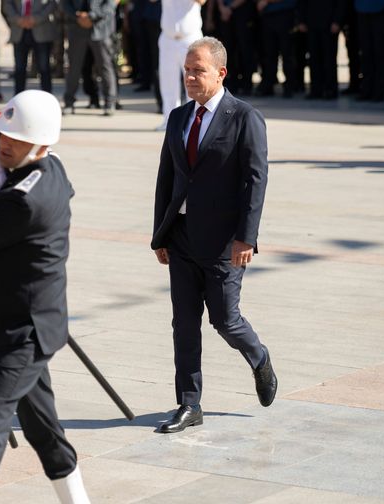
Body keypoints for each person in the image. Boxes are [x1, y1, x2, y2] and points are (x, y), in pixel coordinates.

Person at [0, 90, 90, 504]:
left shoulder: (21, 201)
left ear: (42, 145)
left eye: (17, 140)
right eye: (3, 135)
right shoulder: (53, 169)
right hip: (25, 321)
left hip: (27, 332)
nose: (3, 144)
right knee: (41, 427)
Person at [150, 37, 277, 434]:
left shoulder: (245, 118)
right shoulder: (178, 117)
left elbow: (255, 181)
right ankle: (189, 403)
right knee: (183, 323)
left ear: (221, 73)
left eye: (198, 70)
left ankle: (258, 357)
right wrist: (160, 234)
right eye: (187, 69)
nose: (189, 76)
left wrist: (246, 237)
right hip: (183, 237)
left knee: (225, 319)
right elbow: (166, 178)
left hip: (224, 241)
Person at [62, 0, 118, 115]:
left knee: (105, 66)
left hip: (101, 28)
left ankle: (110, 102)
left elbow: (110, 4)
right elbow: (65, 3)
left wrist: (92, 16)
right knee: (74, 68)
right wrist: (77, 16)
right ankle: (69, 102)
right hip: (77, 28)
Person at [156, 0, 204, 131]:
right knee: (168, 82)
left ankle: (194, 121)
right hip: (168, 38)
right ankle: (169, 121)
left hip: (190, 38)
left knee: (194, 81)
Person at [3, 0, 58, 96]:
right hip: (19, 30)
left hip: (41, 30)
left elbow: (52, 4)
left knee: (44, 67)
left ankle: (47, 97)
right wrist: (18, 19)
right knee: (19, 68)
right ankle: (18, 98)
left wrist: (35, 19)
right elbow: (7, 5)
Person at [297, 0, 345, 100]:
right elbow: (302, 2)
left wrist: (337, 21)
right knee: (313, 59)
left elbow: (341, 3)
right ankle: (316, 90)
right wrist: (301, 20)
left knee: (329, 59)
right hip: (311, 23)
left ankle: (330, 89)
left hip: (329, 23)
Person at [255, 0, 298, 98]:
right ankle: (269, 84)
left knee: (287, 54)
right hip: (268, 16)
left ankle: (289, 87)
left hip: (284, 14)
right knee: (269, 54)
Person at [355, 0, 384, 102]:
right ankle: (366, 89)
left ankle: (379, 91)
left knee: (379, 53)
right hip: (362, 9)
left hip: (379, 9)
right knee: (366, 53)